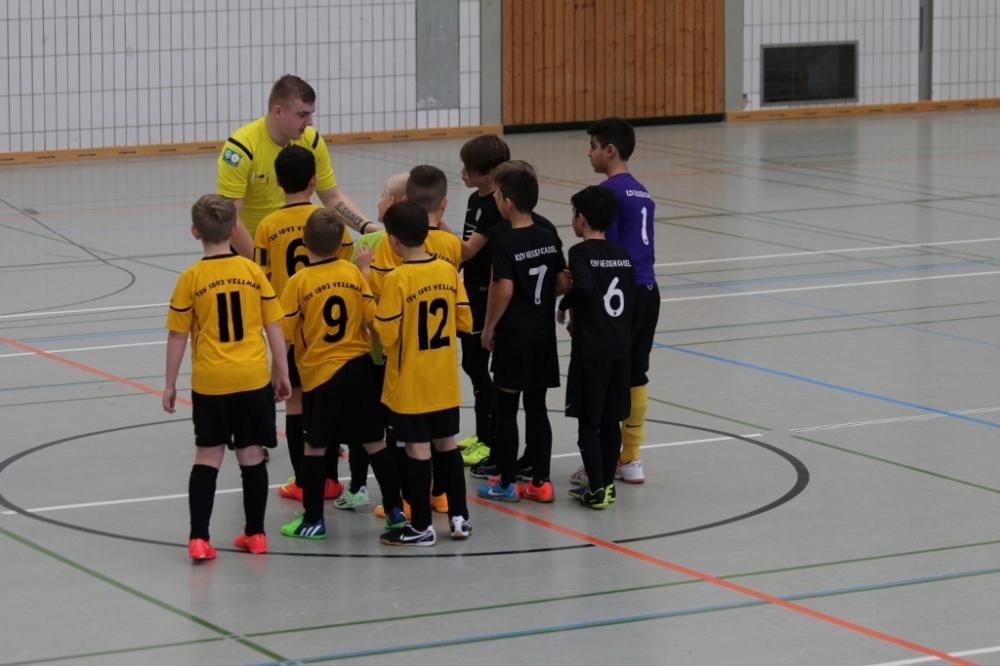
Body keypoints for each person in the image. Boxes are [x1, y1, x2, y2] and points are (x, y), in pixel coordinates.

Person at [163, 194, 291, 560]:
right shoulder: (252, 272)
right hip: (252, 379)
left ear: (195, 232)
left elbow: (178, 335)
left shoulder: (191, 278)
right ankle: (256, 534)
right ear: (235, 229)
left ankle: (199, 539)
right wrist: (281, 372)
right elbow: (274, 325)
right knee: (251, 457)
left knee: (208, 457)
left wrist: (170, 383)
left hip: (211, 382)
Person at [277, 208, 406, 538]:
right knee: (375, 441)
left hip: (322, 374)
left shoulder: (298, 282)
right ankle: (394, 509)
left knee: (315, 447)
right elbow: (372, 320)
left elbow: (286, 335)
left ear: (305, 240)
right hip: (359, 368)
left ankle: (313, 520)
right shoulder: (352, 273)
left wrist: (278, 373)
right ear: (340, 244)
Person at [254, 145, 354, 503]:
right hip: (327, 329)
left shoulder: (267, 226)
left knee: (295, 404)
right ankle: (331, 479)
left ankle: (303, 482)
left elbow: (263, 280)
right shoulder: (331, 221)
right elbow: (347, 267)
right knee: (327, 402)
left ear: (278, 182)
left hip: (291, 330)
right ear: (314, 180)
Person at [374, 201, 473, 546]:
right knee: (447, 444)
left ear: (392, 241)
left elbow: (387, 336)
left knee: (417, 450)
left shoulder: (397, 279)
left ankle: (421, 526)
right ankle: (459, 518)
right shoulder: (447, 271)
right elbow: (464, 320)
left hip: (410, 383)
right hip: (443, 379)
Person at [464, 159, 564, 484]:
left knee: (506, 407)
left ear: (507, 201)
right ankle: (541, 482)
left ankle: (505, 481)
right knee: (537, 407)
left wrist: (489, 327)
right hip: (543, 335)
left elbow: (502, 289)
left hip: (515, 334)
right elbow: (563, 281)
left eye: (496, 196)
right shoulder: (548, 235)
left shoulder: (504, 239)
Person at [571, 117, 658, 486]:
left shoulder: (607, 194)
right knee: (636, 371)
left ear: (610, 150)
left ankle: (603, 462)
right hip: (649, 289)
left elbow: (606, 253)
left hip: (620, 292)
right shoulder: (642, 191)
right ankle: (631, 457)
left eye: (592, 146)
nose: (589, 153)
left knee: (608, 370)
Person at [217, 74, 377, 259]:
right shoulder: (241, 149)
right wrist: (260, 262)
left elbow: (332, 197)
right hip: (250, 247)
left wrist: (366, 227)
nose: (310, 122)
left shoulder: (312, 141)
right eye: (302, 115)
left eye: (311, 114)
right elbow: (230, 217)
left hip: (295, 242)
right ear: (278, 112)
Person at [557, 186, 635, 508]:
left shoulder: (580, 252)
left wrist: (564, 304)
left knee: (588, 423)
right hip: (620, 349)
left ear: (581, 218)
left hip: (591, 350)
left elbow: (586, 287)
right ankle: (608, 486)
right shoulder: (623, 253)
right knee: (611, 421)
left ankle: (596, 489)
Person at [338, 171, 406, 513]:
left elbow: (354, 292)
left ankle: (358, 486)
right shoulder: (428, 242)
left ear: (392, 202)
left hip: (373, 351)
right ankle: (404, 492)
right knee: (399, 427)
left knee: (363, 426)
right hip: (407, 353)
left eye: (381, 194)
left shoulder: (371, 243)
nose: (377, 200)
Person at [452, 135, 510, 468]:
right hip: (469, 291)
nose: (462, 172)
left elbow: (470, 249)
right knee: (472, 365)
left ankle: (488, 441)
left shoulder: (493, 208)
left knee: (476, 365)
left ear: (489, 173)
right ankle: (482, 434)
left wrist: (434, 229)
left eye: (468, 168)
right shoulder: (476, 198)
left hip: (485, 297)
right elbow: (464, 249)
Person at [367, 165, 462, 298]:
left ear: (405, 200)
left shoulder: (393, 239)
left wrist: (365, 269)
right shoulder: (453, 243)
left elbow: (379, 294)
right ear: (444, 203)